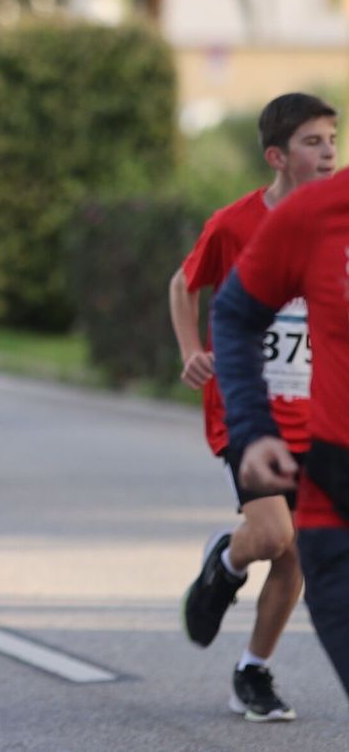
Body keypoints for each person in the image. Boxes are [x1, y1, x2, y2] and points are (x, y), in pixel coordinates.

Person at [170, 92, 335, 721]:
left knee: (298, 552)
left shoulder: (336, 225)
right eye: (313, 142)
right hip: (245, 405)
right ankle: (229, 558)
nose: (327, 154)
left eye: (332, 141)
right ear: (277, 156)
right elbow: (184, 285)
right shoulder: (236, 224)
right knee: (271, 533)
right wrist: (191, 349)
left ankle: (253, 671)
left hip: (317, 413)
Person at [213, 166, 349, 701]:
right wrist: (253, 427)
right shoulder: (319, 212)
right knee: (277, 539)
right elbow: (234, 312)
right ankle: (226, 570)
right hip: (337, 509)